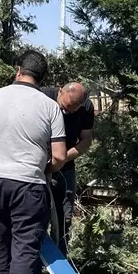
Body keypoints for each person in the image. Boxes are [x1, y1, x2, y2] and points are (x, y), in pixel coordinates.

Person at [0, 49, 66, 274]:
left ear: (18, 70)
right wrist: (46, 168)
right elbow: (60, 156)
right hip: (28, 183)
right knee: (25, 246)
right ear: (43, 78)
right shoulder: (50, 107)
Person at [41, 82, 95, 255]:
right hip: (38, 168)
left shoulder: (86, 108)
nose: (65, 113)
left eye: (71, 111)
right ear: (60, 91)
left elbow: (86, 141)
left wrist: (62, 158)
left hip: (65, 168)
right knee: (37, 215)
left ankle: (61, 261)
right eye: (64, 108)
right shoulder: (41, 97)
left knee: (64, 217)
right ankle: (34, 265)